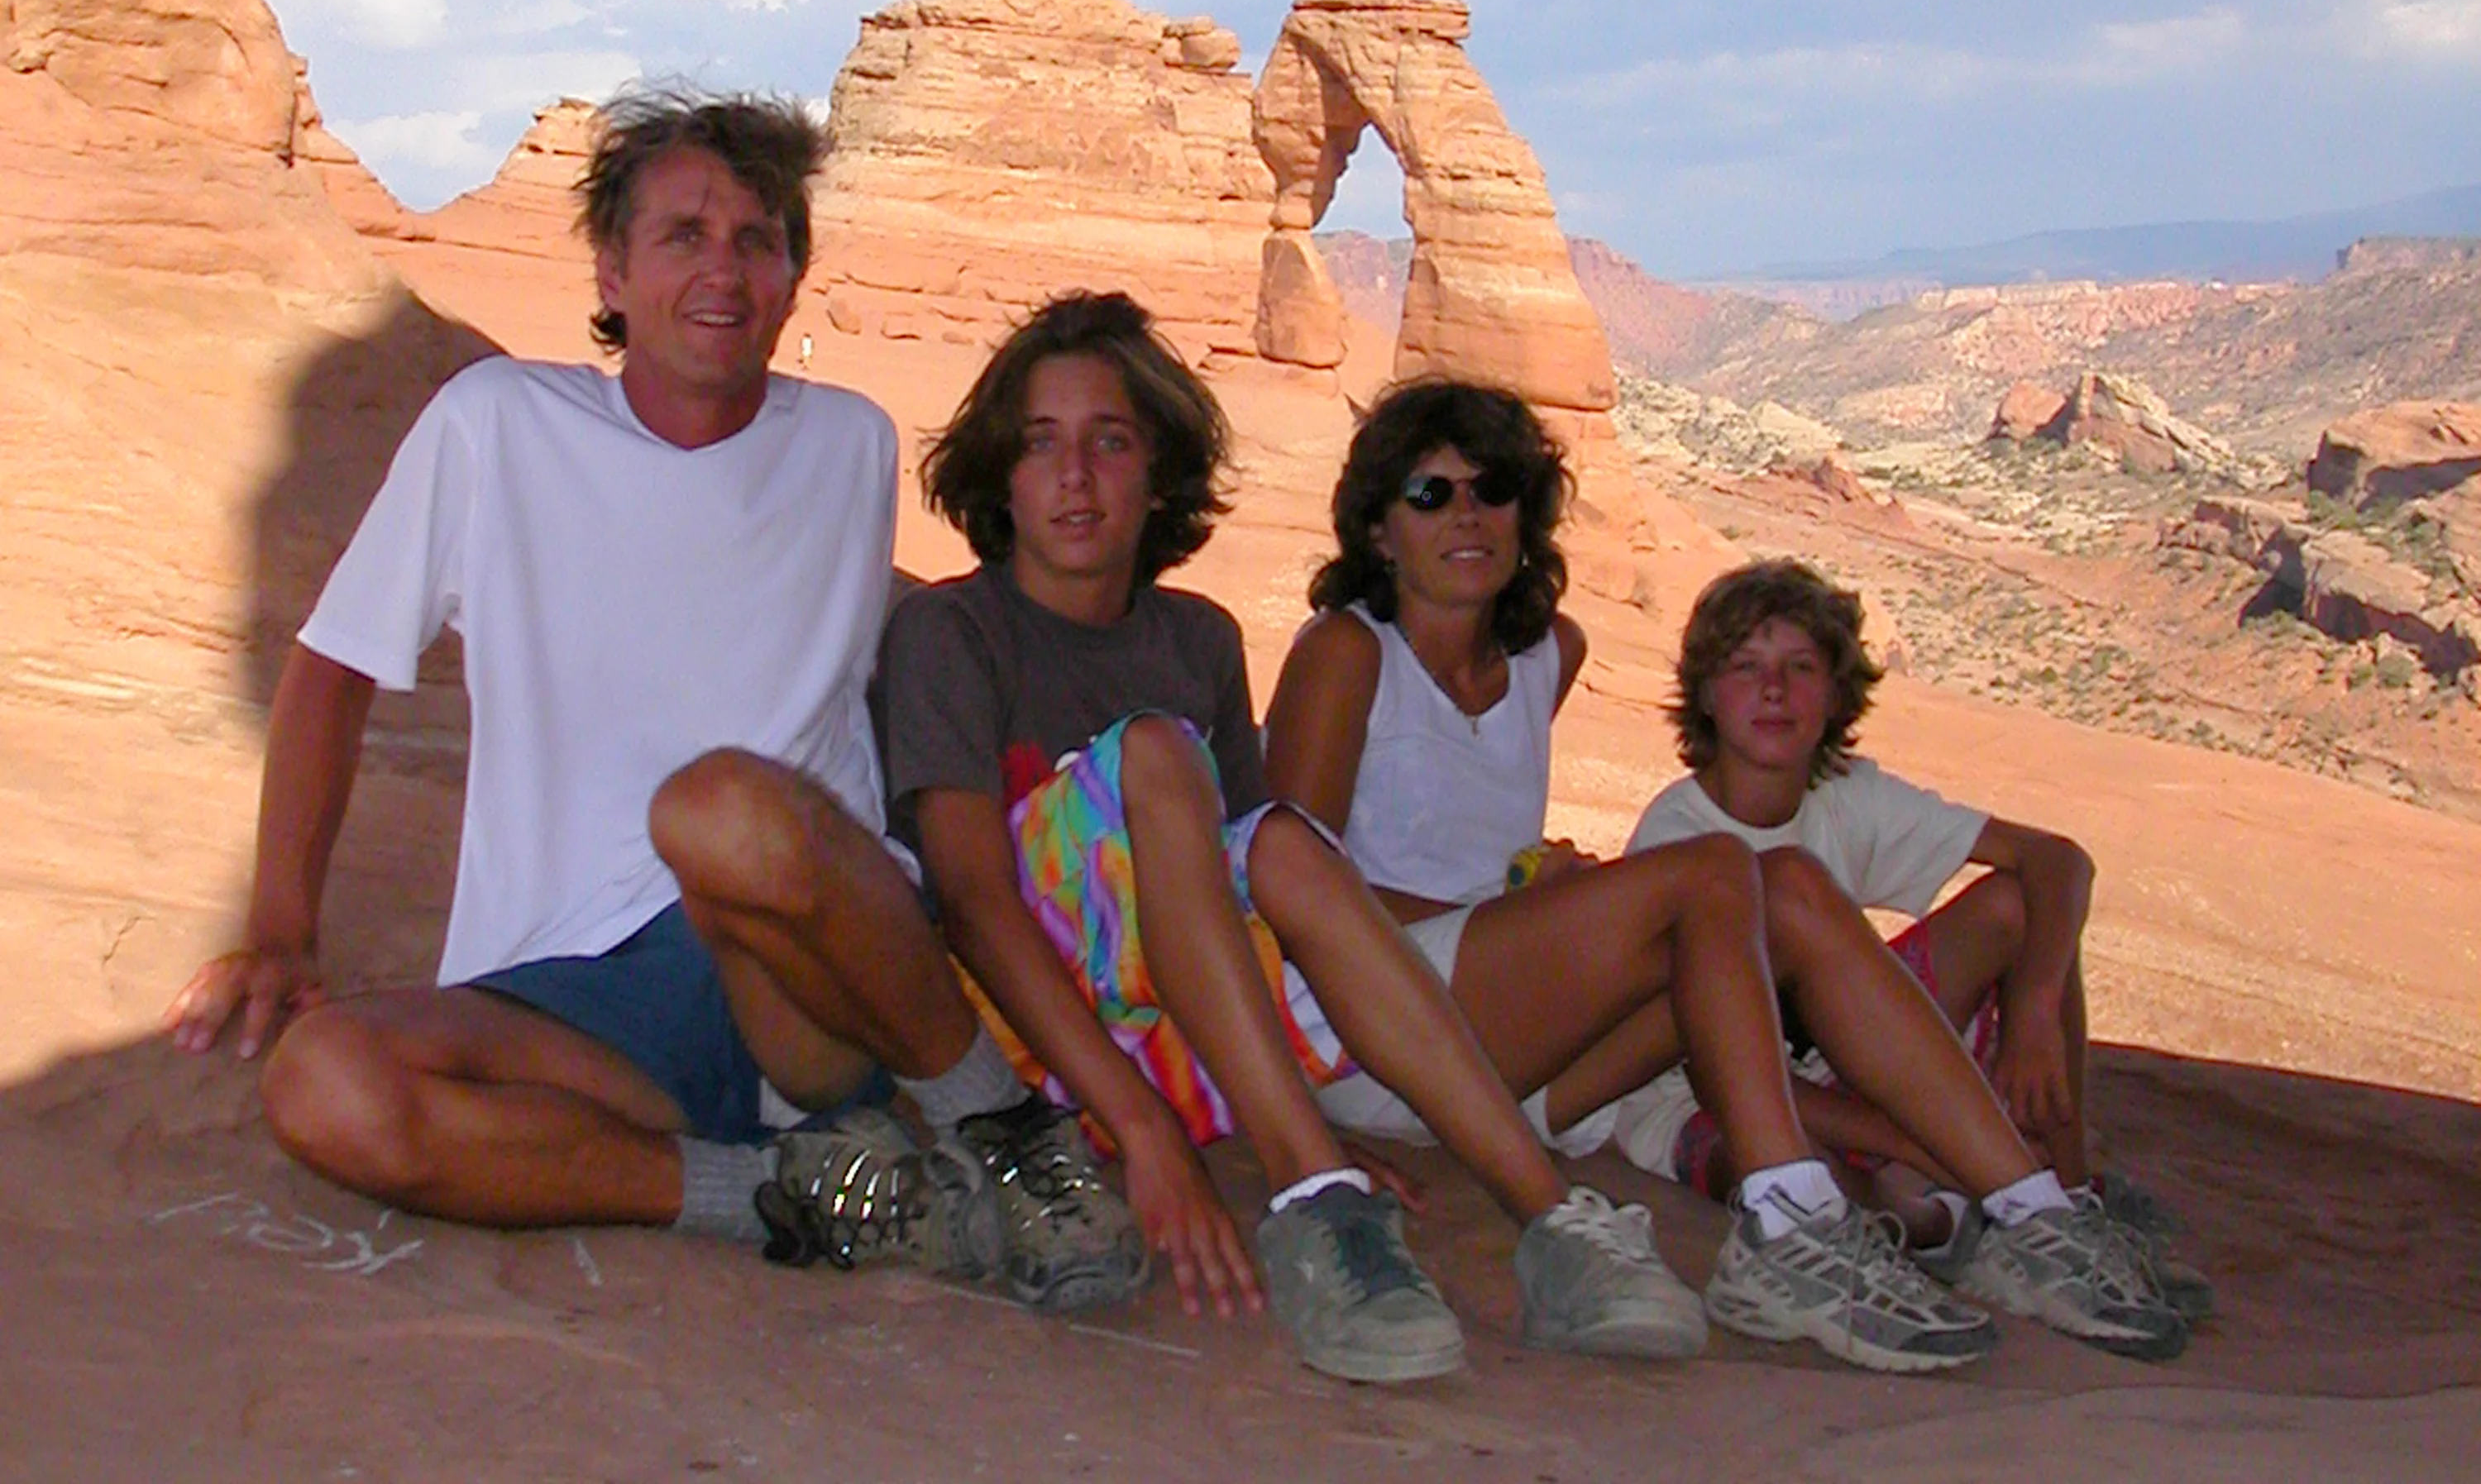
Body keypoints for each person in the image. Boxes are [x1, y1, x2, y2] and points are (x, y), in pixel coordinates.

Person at [163, 86, 1125, 1300]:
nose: (721, 271)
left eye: (756, 240)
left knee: (719, 806)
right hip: (575, 996)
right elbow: (335, 663)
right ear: (612, 273)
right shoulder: (498, 426)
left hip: (815, 980)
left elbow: (908, 612)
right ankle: (792, 1198)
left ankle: (1007, 1139)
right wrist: (282, 931)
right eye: (682, 236)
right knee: (325, 1081)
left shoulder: (851, 445)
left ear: (791, 277)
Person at [1261, 379, 2187, 1367]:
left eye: (1491, 488)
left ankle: (2032, 1207)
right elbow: (1292, 890)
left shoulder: (1547, 653)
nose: (1468, 516)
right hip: (1374, 1036)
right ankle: (1788, 1222)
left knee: (1776, 882)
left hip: (1514, 1062)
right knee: (1712, 872)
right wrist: (1530, 912)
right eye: (1429, 494)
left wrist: (1536, 909)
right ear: (1379, 528)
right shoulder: (1346, 653)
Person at [877, 290, 1707, 1385]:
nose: (1075, 477)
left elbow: (1251, 889)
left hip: (1169, 1026)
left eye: (1111, 442)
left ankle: (1557, 1225)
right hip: (1029, 1033)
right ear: (999, 474)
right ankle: (1318, 1207)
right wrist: (1152, 1135)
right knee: (1166, 759)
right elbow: (975, 906)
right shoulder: (952, 630)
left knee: (1278, 841)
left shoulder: (1200, 638)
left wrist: (1265, 1085)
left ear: (1160, 469)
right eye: (1040, 445)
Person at [1626, 556, 2211, 1319]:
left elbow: (2056, 861)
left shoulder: (1845, 798)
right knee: (1817, 1187)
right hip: (1722, 1097)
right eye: (1746, 666)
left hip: (1844, 1059)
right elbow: (1713, 1070)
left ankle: (2066, 1207)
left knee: (2019, 911)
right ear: (1705, 692)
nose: (1774, 691)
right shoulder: (1678, 838)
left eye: (1800, 667)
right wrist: (1912, 1136)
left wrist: (2034, 1014)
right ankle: (1961, 1217)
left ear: (1836, 694)